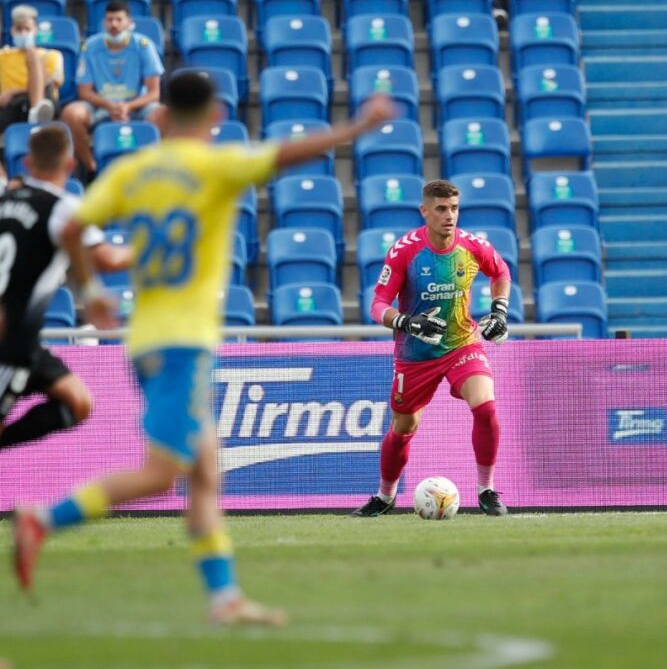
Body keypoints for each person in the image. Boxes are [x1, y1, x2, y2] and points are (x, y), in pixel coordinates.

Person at [12, 71, 395, 625]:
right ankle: (43, 520)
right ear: (215, 115)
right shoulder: (216, 165)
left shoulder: (134, 171)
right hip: (183, 343)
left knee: (204, 474)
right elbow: (291, 152)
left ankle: (225, 598)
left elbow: (72, 225)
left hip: (146, 338)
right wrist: (359, 125)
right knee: (161, 474)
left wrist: (92, 290)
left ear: (160, 115)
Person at [351, 179, 511, 518]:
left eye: (454, 208)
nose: (448, 215)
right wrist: (408, 322)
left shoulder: (472, 246)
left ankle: (487, 490)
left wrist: (499, 310)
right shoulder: (405, 251)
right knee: (403, 429)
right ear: (425, 211)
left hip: (461, 345)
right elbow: (378, 305)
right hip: (415, 355)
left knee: (485, 407)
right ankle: (385, 496)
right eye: (441, 209)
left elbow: (501, 272)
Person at [0, 126, 96, 454]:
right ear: (71, 164)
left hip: (24, 343)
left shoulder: (7, 199)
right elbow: (106, 258)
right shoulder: (61, 207)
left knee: (78, 401)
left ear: (25, 162)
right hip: (7, 338)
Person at [60, 0, 164, 173]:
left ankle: (153, 169)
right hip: (100, 105)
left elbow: (154, 93)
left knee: (163, 114)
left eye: (118, 19)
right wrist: (110, 106)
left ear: (130, 23)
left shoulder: (144, 46)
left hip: (136, 105)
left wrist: (127, 106)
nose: (114, 25)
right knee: (71, 114)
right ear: (104, 22)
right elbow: (84, 92)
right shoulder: (90, 46)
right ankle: (92, 167)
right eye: (109, 20)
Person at [0, 5, 61, 133]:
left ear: (36, 30)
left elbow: (50, 84)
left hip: (44, 103)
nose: (23, 33)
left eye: (27, 29)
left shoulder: (51, 55)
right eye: (19, 29)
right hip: (11, 107)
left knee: (33, 57)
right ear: (12, 31)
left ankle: (36, 112)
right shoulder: (3, 56)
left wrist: (14, 91)